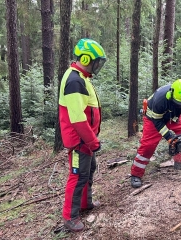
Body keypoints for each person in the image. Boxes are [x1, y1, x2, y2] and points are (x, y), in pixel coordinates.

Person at [58, 38, 107, 232]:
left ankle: (85, 203)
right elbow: (78, 119)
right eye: (96, 62)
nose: (97, 66)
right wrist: (92, 141)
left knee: (89, 169)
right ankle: (70, 217)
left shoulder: (81, 77)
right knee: (77, 176)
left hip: (86, 139)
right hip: (80, 140)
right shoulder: (74, 81)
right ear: (86, 59)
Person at [131, 79, 181, 188]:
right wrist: (169, 137)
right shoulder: (160, 99)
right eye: (178, 103)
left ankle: (180, 161)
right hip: (153, 119)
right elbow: (158, 122)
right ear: (171, 95)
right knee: (148, 146)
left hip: (174, 117)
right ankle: (136, 174)